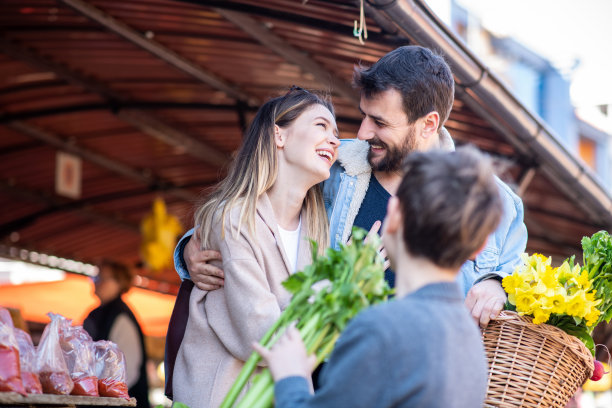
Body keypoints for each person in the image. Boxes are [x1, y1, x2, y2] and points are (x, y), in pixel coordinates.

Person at [174, 45, 527, 329]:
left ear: (427, 124)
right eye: (363, 115)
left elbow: (522, 287)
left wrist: (497, 285)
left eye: (379, 122)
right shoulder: (333, 166)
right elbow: (255, 211)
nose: (362, 132)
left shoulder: (496, 202)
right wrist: (194, 245)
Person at [255, 146, 503, 407]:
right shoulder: (474, 349)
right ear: (480, 246)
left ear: (394, 214)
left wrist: (291, 377)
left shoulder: (379, 330)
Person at [170, 87, 340, 408]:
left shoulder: (317, 233)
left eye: (337, 133)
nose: (334, 141)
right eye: (321, 126)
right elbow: (265, 334)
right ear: (279, 136)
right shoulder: (233, 217)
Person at [83, 260, 149, 408]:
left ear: (118, 283)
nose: (96, 282)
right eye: (96, 278)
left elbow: (128, 369)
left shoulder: (121, 316)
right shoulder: (96, 314)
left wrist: (107, 394)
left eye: (102, 278)